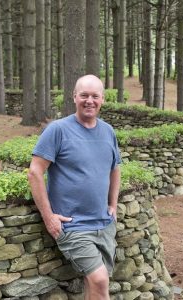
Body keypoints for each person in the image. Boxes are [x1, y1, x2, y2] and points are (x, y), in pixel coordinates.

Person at [28, 74, 121, 300]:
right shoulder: (57, 130)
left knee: (96, 284)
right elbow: (35, 172)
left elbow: (115, 167)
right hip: (73, 225)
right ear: (74, 97)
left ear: (103, 99)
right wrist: (49, 217)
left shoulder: (108, 131)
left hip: (103, 223)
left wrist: (113, 204)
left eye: (95, 96)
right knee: (99, 280)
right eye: (84, 95)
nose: (89, 101)